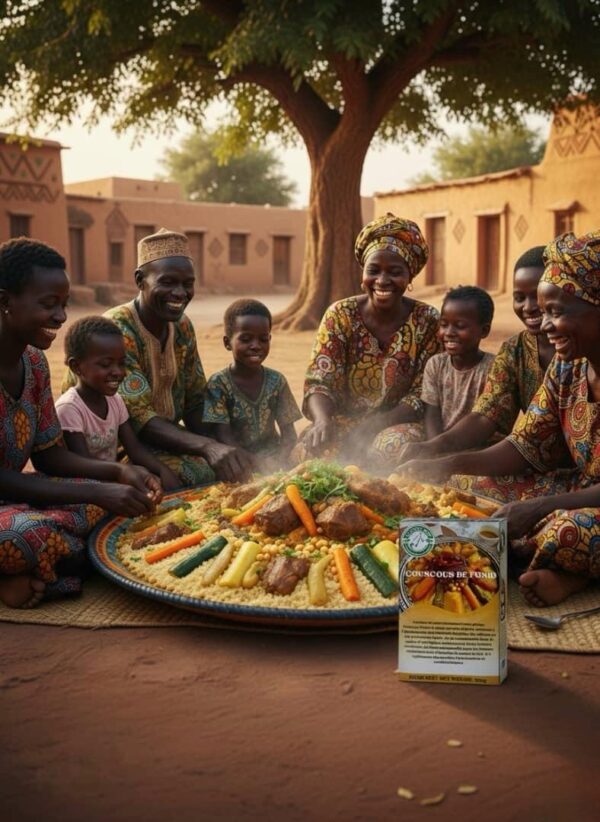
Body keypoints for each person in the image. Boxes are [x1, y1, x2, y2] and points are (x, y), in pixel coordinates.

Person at [403, 230, 600, 606]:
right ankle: (548, 562)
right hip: (576, 487)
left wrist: (539, 507)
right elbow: (524, 444)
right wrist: (447, 463)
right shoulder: (568, 368)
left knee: (568, 530)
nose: (544, 324)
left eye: (557, 312)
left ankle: (567, 575)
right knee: (464, 490)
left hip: (582, 510)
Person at [0, 239, 158, 609]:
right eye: (48, 304)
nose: (60, 317)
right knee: (25, 536)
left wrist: (116, 474)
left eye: (64, 304)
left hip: (14, 497)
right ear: (5, 301)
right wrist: (96, 491)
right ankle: (28, 572)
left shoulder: (34, 363)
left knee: (114, 509)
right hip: (11, 509)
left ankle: (41, 573)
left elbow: (49, 456)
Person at [62, 228, 254, 485]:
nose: (180, 293)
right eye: (168, 282)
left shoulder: (182, 326)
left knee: (233, 464)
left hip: (164, 440)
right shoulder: (118, 329)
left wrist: (228, 445)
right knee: (199, 473)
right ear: (140, 280)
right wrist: (208, 447)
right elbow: (139, 418)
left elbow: (196, 401)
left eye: (188, 284)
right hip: (114, 448)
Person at [300, 213, 440, 465]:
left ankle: (386, 490)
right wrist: (322, 421)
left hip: (398, 424)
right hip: (344, 421)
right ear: (363, 273)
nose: (382, 281)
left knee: (386, 449)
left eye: (395, 272)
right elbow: (319, 382)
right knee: (305, 453)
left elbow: (422, 393)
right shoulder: (340, 314)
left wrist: (374, 426)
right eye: (373, 271)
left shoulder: (427, 320)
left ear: (409, 276)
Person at [397, 246, 554, 466]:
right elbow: (486, 415)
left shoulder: (582, 348)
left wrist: (446, 459)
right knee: (457, 478)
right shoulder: (514, 350)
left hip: (582, 469)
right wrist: (433, 448)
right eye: (519, 297)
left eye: (537, 296)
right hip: (536, 461)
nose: (528, 307)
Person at [57, 316, 181, 490]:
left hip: (111, 478)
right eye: (105, 364)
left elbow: (135, 450)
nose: (117, 372)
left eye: (122, 364)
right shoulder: (70, 409)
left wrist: (162, 471)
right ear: (76, 367)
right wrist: (125, 476)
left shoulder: (114, 400)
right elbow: (84, 467)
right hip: (83, 485)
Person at [202, 299, 301, 470]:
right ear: (227, 342)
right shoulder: (218, 384)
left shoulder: (277, 381)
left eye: (263, 339)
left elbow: (289, 434)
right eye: (246, 339)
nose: (256, 346)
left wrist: (280, 461)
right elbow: (224, 437)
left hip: (275, 457)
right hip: (236, 459)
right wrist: (258, 465)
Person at [417, 285, 495, 443]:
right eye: (444, 324)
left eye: (460, 326)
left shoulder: (494, 368)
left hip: (481, 447)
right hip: (439, 443)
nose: (449, 333)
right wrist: (435, 448)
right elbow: (431, 415)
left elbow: (486, 423)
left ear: (484, 331)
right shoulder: (436, 364)